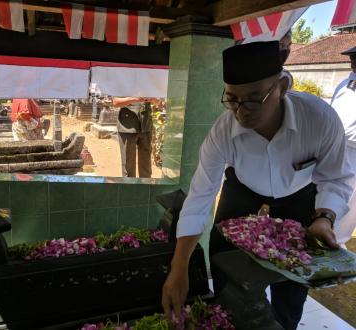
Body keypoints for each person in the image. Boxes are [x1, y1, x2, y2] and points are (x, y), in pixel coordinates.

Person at [161, 41, 353, 330]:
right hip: (242, 190)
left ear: (282, 86)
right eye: (233, 98)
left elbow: (335, 178)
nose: (242, 111)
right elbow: (200, 196)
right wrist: (179, 267)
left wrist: (325, 217)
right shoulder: (223, 132)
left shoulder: (319, 119)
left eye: (253, 98)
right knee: (225, 261)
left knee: (292, 284)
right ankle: (230, 319)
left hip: (299, 196)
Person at [331, 46, 356, 246]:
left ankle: (338, 241)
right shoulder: (343, 84)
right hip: (335, 147)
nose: (352, 62)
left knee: (351, 201)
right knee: (327, 190)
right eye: (351, 58)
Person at [112, 97, 158, 178]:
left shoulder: (150, 85)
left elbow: (159, 103)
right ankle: (129, 189)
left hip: (145, 125)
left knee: (146, 166)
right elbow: (115, 102)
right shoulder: (124, 84)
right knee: (128, 166)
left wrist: (153, 99)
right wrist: (134, 99)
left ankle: (145, 188)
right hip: (127, 127)